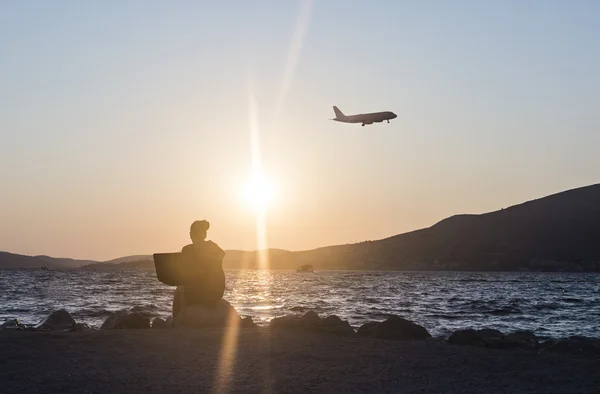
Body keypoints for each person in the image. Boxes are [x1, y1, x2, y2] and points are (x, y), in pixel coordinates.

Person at [172, 220, 226, 319]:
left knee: (180, 289)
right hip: (215, 291)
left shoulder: (188, 249)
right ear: (204, 234)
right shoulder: (213, 247)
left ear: (192, 234)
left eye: (192, 233)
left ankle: (176, 320)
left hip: (203, 291)